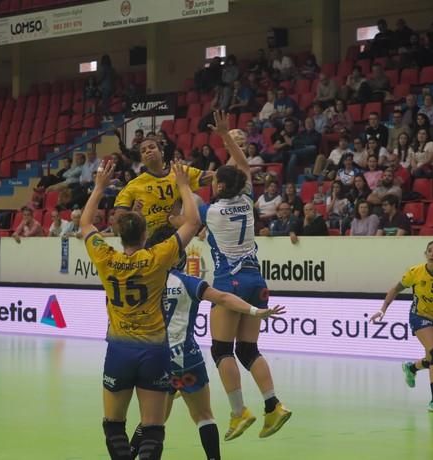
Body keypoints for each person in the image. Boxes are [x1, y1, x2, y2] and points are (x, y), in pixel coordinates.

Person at [128, 225, 286, 460]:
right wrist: (254, 311)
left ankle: (130, 454)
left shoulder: (139, 281)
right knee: (204, 415)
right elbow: (223, 298)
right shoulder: (188, 281)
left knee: (152, 421)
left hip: (152, 359)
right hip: (185, 360)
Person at [80, 160, 202, 460]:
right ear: (145, 234)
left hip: (120, 351)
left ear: (121, 237)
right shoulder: (159, 257)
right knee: (152, 429)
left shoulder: (106, 257)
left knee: (114, 425)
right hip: (155, 351)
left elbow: (84, 225)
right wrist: (184, 186)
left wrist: (98, 188)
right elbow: (193, 222)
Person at [201, 111, 292, 441]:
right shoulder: (247, 198)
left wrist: (181, 183)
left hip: (229, 283)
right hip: (257, 280)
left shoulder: (210, 211)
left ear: (220, 186)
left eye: (214, 182)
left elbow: (183, 209)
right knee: (249, 350)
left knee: (221, 350)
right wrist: (227, 138)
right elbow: (243, 167)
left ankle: (239, 412)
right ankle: (273, 406)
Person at [371, 241, 433, 415]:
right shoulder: (415, 272)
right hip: (419, 316)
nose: (432, 254)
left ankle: (411, 368)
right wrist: (382, 309)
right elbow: (395, 289)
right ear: (426, 254)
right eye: (429, 251)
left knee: (431, 359)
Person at [114, 137, 212, 238]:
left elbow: (219, 178)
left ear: (162, 153)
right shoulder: (133, 185)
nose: (148, 151)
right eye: (143, 151)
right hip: (150, 241)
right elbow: (117, 227)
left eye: (152, 147)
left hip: (179, 238)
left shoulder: (179, 172)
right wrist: (133, 215)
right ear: (142, 159)